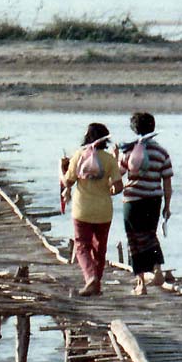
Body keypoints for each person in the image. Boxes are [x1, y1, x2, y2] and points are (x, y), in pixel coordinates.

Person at [61, 123, 123, 296]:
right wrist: (108, 189)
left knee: (81, 246)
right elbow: (118, 187)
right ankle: (96, 283)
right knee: (99, 248)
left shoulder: (79, 156)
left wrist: (63, 170)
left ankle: (90, 278)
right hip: (103, 211)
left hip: (82, 210)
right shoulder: (110, 159)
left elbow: (68, 181)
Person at [117, 112, 173, 295]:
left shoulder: (129, 151)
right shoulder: (162, 153)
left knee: (134, 239)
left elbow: (118, 175)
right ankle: (157, 269)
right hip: (154, 200)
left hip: (132, 201)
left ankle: (140, 283)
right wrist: (167, 206)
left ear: (134, 129)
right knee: (150, 235)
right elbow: (167, 183)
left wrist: (115, 156)